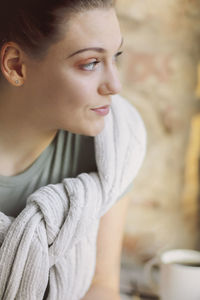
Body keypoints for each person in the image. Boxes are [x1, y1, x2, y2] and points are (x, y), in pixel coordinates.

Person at [0, 0, 146, 299]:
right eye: (90, 63)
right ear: (16, 65)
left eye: (115, 56)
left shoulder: (114, 143)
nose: (115, 85)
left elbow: (102, 285)